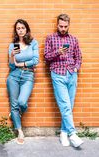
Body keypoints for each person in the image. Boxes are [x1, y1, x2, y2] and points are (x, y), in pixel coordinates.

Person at [44, 14, 83, 147]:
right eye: (61, 26)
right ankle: (72, 133)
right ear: (57, 25)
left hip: (72, 74)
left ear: (68, 25)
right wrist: (58, 52)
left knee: (69, 106)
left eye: (65, 26)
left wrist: (76, 68)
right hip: (58, 74)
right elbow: (46, 57)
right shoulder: (50, 38)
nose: (63, 28)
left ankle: (63, 132)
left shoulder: (74, 39)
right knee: (65, 104)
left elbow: (78, 57)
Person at [6, 19, 39, 144]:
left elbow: (36, 61)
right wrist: (12, 56)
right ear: (16, 30)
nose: (20, 30)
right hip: (13, 76)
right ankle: (20, 131)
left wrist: (22, 63)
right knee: (14, 105)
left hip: (28, 75)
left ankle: (17, 114)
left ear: (27, 29)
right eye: (18, 28)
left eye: (22, 28)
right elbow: (11, 65)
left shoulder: (33, 43)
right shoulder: (12, 45)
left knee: (21, 102)